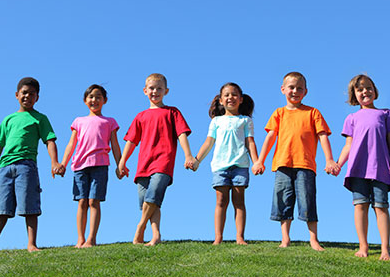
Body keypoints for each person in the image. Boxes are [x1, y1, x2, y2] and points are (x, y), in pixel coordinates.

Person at [0, 77, 62, 255]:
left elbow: (49, 141)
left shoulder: (40, 118)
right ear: (16, 95)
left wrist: (54, 162)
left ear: (37, 97)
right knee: (1, 209)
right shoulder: (8, 120)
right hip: (5, 168)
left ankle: (31, 244)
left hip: (26, 166)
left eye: (32, 94)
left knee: (30, 207)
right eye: (24, 93)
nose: (27, 96)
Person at [252, 72, 340, 251]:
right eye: (291, 87)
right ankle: (285, 238)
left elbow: (323, 136)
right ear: (283, 89)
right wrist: (260, 161)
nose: (295, 91)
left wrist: (329, 159)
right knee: (283, 201)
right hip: (282, 164)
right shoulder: (279, 113)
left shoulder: (313, 112)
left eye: (299, 88)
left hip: (305, 165)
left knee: (308, 201)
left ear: (306, 92)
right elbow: (270, 137)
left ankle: (313, 240)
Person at [117, 73, 196, 246]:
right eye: (152, 88)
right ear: (145, 91)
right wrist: (122, 161)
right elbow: (131, 141)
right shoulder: (140, 116)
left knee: (152, 197)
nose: (155, 91)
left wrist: (188, 155)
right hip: (143, 164)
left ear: (166, 91)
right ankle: (156, 236)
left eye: (159, 88)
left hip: (163, 162)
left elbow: (181, 134)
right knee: (149, 202)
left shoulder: (172, 112)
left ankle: (140, 227)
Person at [334, 74, 390, 260]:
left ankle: (385, 250)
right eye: (360, 89)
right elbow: (348, 145)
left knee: (381, 207)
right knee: (360, 206)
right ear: (354, 95)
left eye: (368, 87)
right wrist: (339, 164)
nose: (365, 91)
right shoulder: (352, 118)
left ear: (375, 91)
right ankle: (363, 247)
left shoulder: (386, 114)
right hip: (358, 169)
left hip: (380, 168)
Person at [192, 83, 259, 245]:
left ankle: (240, 237)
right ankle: (218, 237)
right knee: (221, 202)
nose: (231, 98)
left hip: (240, 166)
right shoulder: (216, 121)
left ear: (241, 99)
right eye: (227, 95)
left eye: (234, 95)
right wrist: (197, 160)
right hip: (220, 166)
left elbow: (250, 142)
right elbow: (208, 142)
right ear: (221, 100)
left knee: (239, 202)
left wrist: (257, 162)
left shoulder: (245, 121)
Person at [59, 84, 122, 248]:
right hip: (80, 165)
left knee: (94, 201)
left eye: (98, 97)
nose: (94, 100)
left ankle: (91, 239)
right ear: (85, 100)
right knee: (82, 201)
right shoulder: (78, 121)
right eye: (91, 97)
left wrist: (120, 165)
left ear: (105, 101)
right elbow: (71, 144)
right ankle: (80, 239)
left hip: (100, 165)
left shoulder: (109, 122)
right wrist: (63, 164)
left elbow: (115, 145)